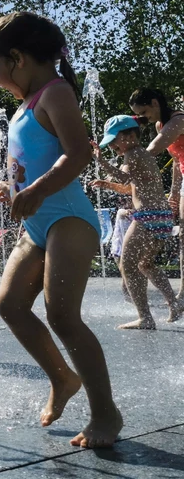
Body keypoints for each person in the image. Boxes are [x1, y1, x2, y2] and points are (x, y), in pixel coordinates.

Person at [0, 11, 121, 448]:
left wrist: (37, 190)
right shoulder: (25, 106)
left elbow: (78, 153)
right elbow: (36, 159)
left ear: (18, 58)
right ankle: (63, 379)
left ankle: (106, 414)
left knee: (62, 315)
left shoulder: (55, 93)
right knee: (10, 304)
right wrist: (14, 187)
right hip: (38, 221)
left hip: (68, 219)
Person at [90, 115, 183, 328]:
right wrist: (106, 184)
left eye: (115, 140)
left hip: (147, 216)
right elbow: (130, 187)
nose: (113, 145)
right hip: (161, 216)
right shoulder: (144, 155)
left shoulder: (132, 154)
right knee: (145, 264)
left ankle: (145, 317)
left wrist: (100, 160)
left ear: (131, 135)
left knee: (128, 265)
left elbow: (123, 178)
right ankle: (174, 304)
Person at [129, 88, 184, 301]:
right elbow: (178, 161)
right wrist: (174, 193)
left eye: (143, 112)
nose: (144, 117)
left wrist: (127, 161)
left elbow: (153, 149)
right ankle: (182, 294)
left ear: (154, 103)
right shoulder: (160, 124)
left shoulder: (178, 120)